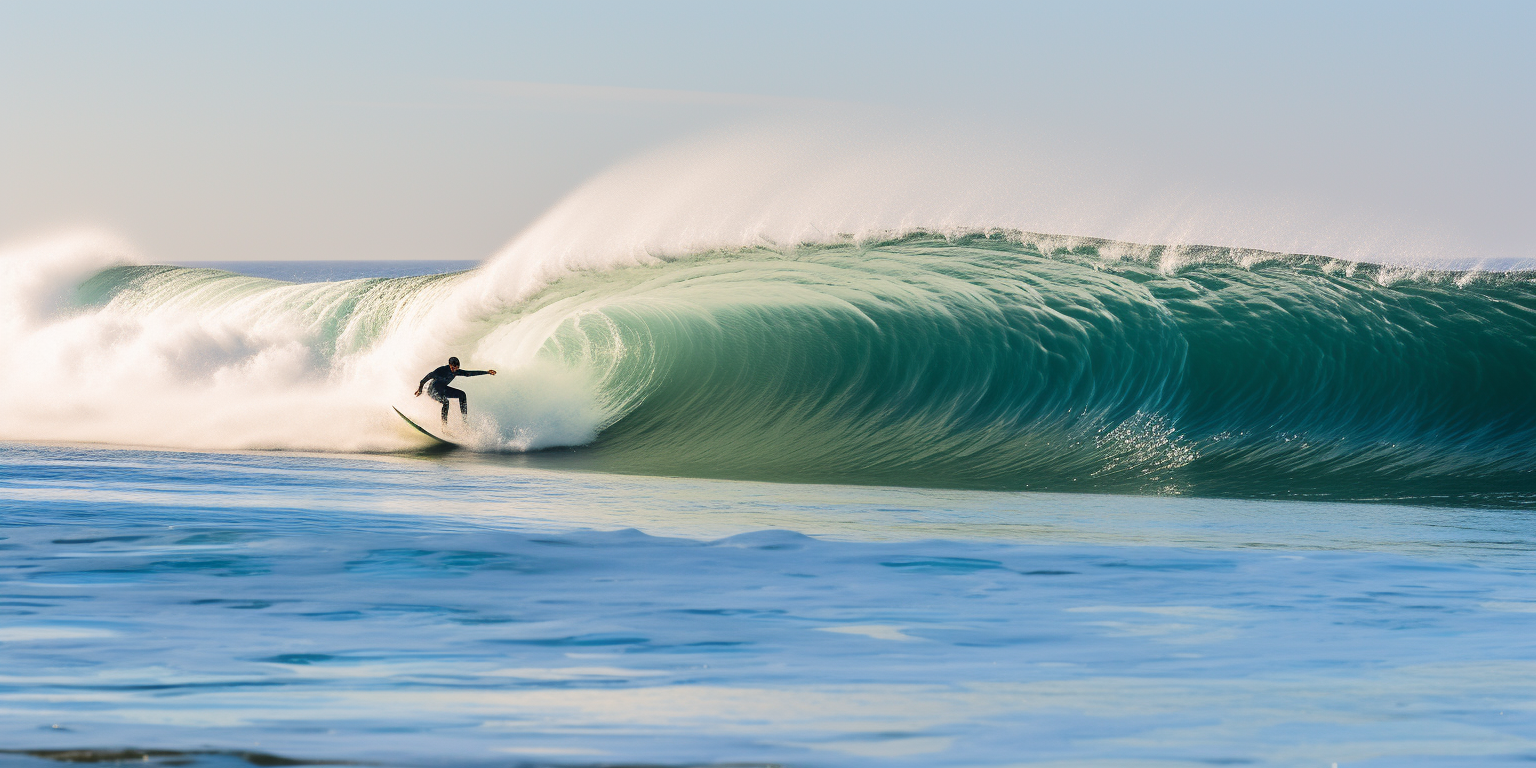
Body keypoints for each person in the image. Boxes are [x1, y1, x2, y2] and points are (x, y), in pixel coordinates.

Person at [414, 357, 497, 426]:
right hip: (432, 390)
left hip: (443, 389)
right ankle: (444, 426)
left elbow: (469, 373)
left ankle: (464, 421)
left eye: (456, 368)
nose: (454, 370)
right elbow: (424, 379)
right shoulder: (441, 370)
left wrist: (487, 372)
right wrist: (420, 390)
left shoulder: (456, 371)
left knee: (462, 394)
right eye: (453, 368)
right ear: (449, 365)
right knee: (446, 402)